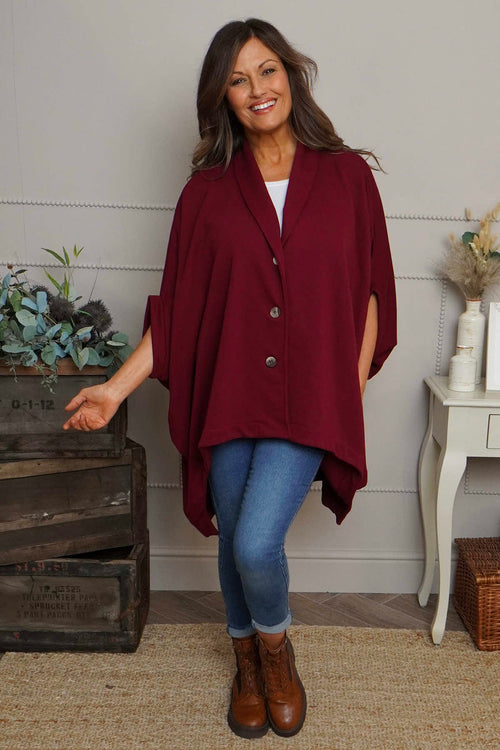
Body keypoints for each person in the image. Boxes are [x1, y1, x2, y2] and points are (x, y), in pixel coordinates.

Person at [63, 18, 397, 740]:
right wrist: (114, 390)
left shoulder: (347, 177)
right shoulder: (206, 194)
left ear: (291, 75)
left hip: (311, 397)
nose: (257, 89)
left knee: (253, 542)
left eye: (267, 70)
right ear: (222, 97)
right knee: (234, 538)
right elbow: (180, 311)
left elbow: (370, 291)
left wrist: (350, 388)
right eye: (238, 80)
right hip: (228, 393)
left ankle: (276, 651)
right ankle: (247, 664)